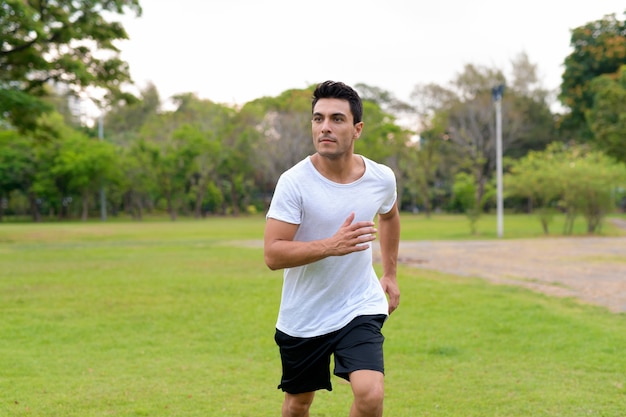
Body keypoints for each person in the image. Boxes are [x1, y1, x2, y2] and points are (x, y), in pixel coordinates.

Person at [264, 80, 401, 417]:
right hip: (305, 314)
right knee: (298, 404)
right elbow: (272, 254)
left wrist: (391, 274)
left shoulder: (380, 178)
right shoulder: (294, 182)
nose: (325, 127)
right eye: (318, 118)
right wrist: (330, 246)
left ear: (357, 129)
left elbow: (390, 216)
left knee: (370, 395)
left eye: (337, 119)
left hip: (359, 304)